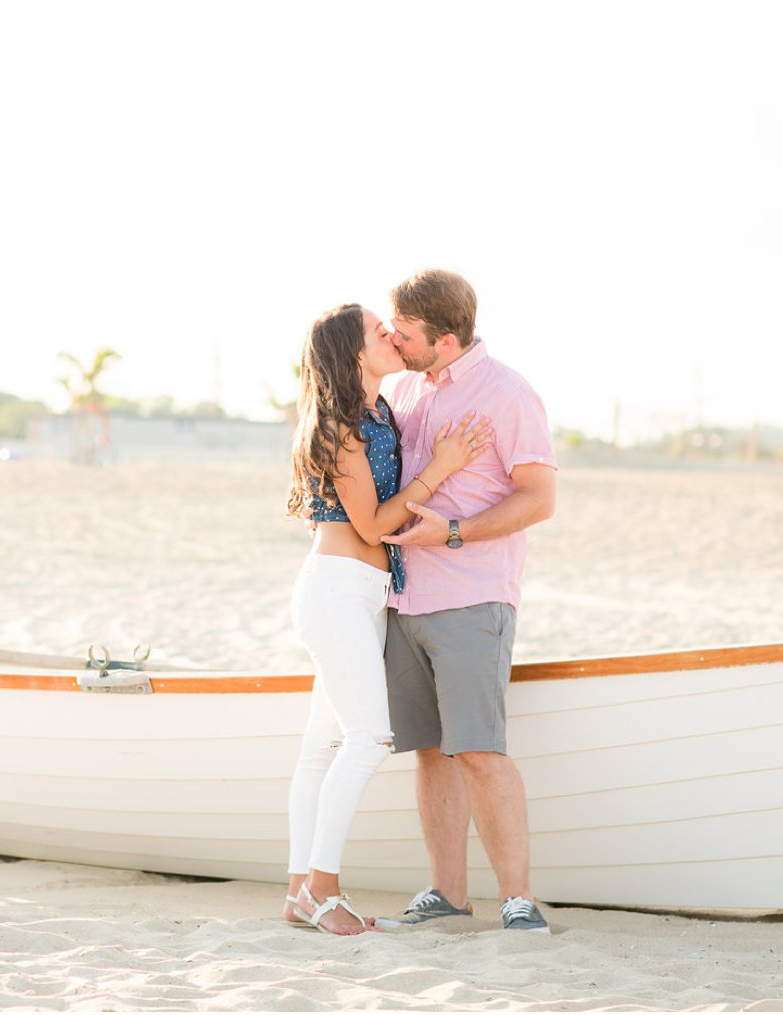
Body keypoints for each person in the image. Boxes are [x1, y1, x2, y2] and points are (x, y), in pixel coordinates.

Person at [283, 302, 490, 934]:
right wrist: (441, 470)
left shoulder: (380, 411)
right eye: (380, 332)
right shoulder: (342, 424)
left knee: (323, 745)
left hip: (364, 592)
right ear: (354, 353)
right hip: (338, 590)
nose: (392, 336)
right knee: (369, 737)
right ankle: (322, 890)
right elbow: (372, 524)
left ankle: (298, 891)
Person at [374, 269, 558, 933]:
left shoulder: (507, 393)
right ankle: (447, 891)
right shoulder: (398, 385)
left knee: (477, 749)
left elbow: (540, 498)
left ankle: (518, 899)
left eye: (405, 332)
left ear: (446, 339)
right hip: (402, 599)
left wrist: (452, 531)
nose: (393, 338)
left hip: (472, 597)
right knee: (429, 751)